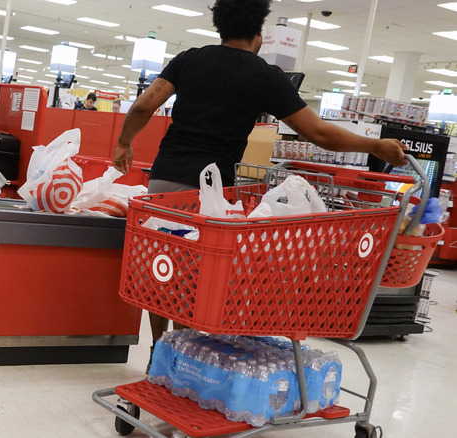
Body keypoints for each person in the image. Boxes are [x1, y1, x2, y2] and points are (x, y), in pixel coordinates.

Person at [111, 0, 408, 370]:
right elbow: (317, 133)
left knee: (163, 265)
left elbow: (143, 106)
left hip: (164, 178)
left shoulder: (188, 59)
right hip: (210, 191)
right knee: (194, 277)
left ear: (220, 26)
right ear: (260, 35)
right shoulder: (265, 75)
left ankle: (161, 348)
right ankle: (180, 357)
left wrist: (124, 142)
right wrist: (374, 145)